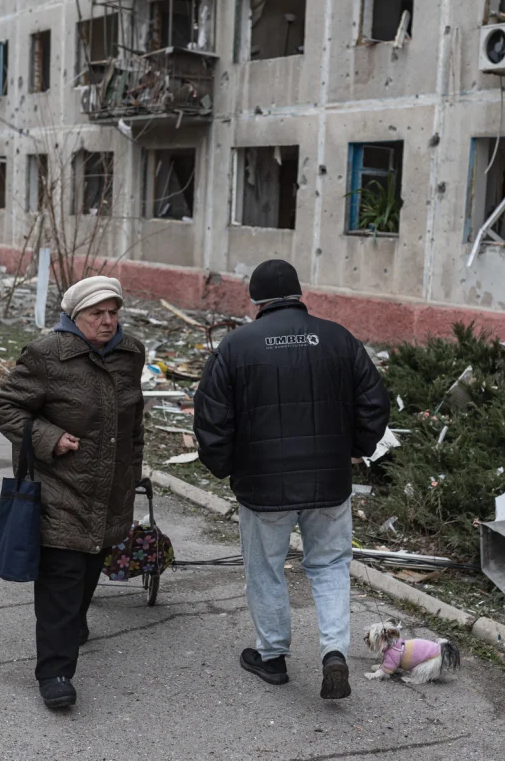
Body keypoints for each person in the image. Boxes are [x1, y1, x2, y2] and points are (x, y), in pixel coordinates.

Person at [193, 259, 390, 700]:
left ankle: (272, 656)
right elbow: (376, 402)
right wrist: (354, 447)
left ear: (256, 300)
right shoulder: (339, 338)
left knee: (265, 569)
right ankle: (334, 652)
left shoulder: (236, 346)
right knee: (331, 567)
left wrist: (224, 466)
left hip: (263, 488)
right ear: (300, 294)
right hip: (330, 484)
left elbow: (211, 418)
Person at [0, 276, 145, 710]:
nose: (108, 321)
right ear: (75, 317)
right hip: (60, 484)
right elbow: (5, 407)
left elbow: (135, 422)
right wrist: (49, 437)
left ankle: (73, 624)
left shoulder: (131, 353)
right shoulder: (47, 354)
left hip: (110, 486)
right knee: (62, 575)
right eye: (98, 314)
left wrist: (133, 472)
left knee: (92, 559)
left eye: (114, 312)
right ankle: (55, 672)